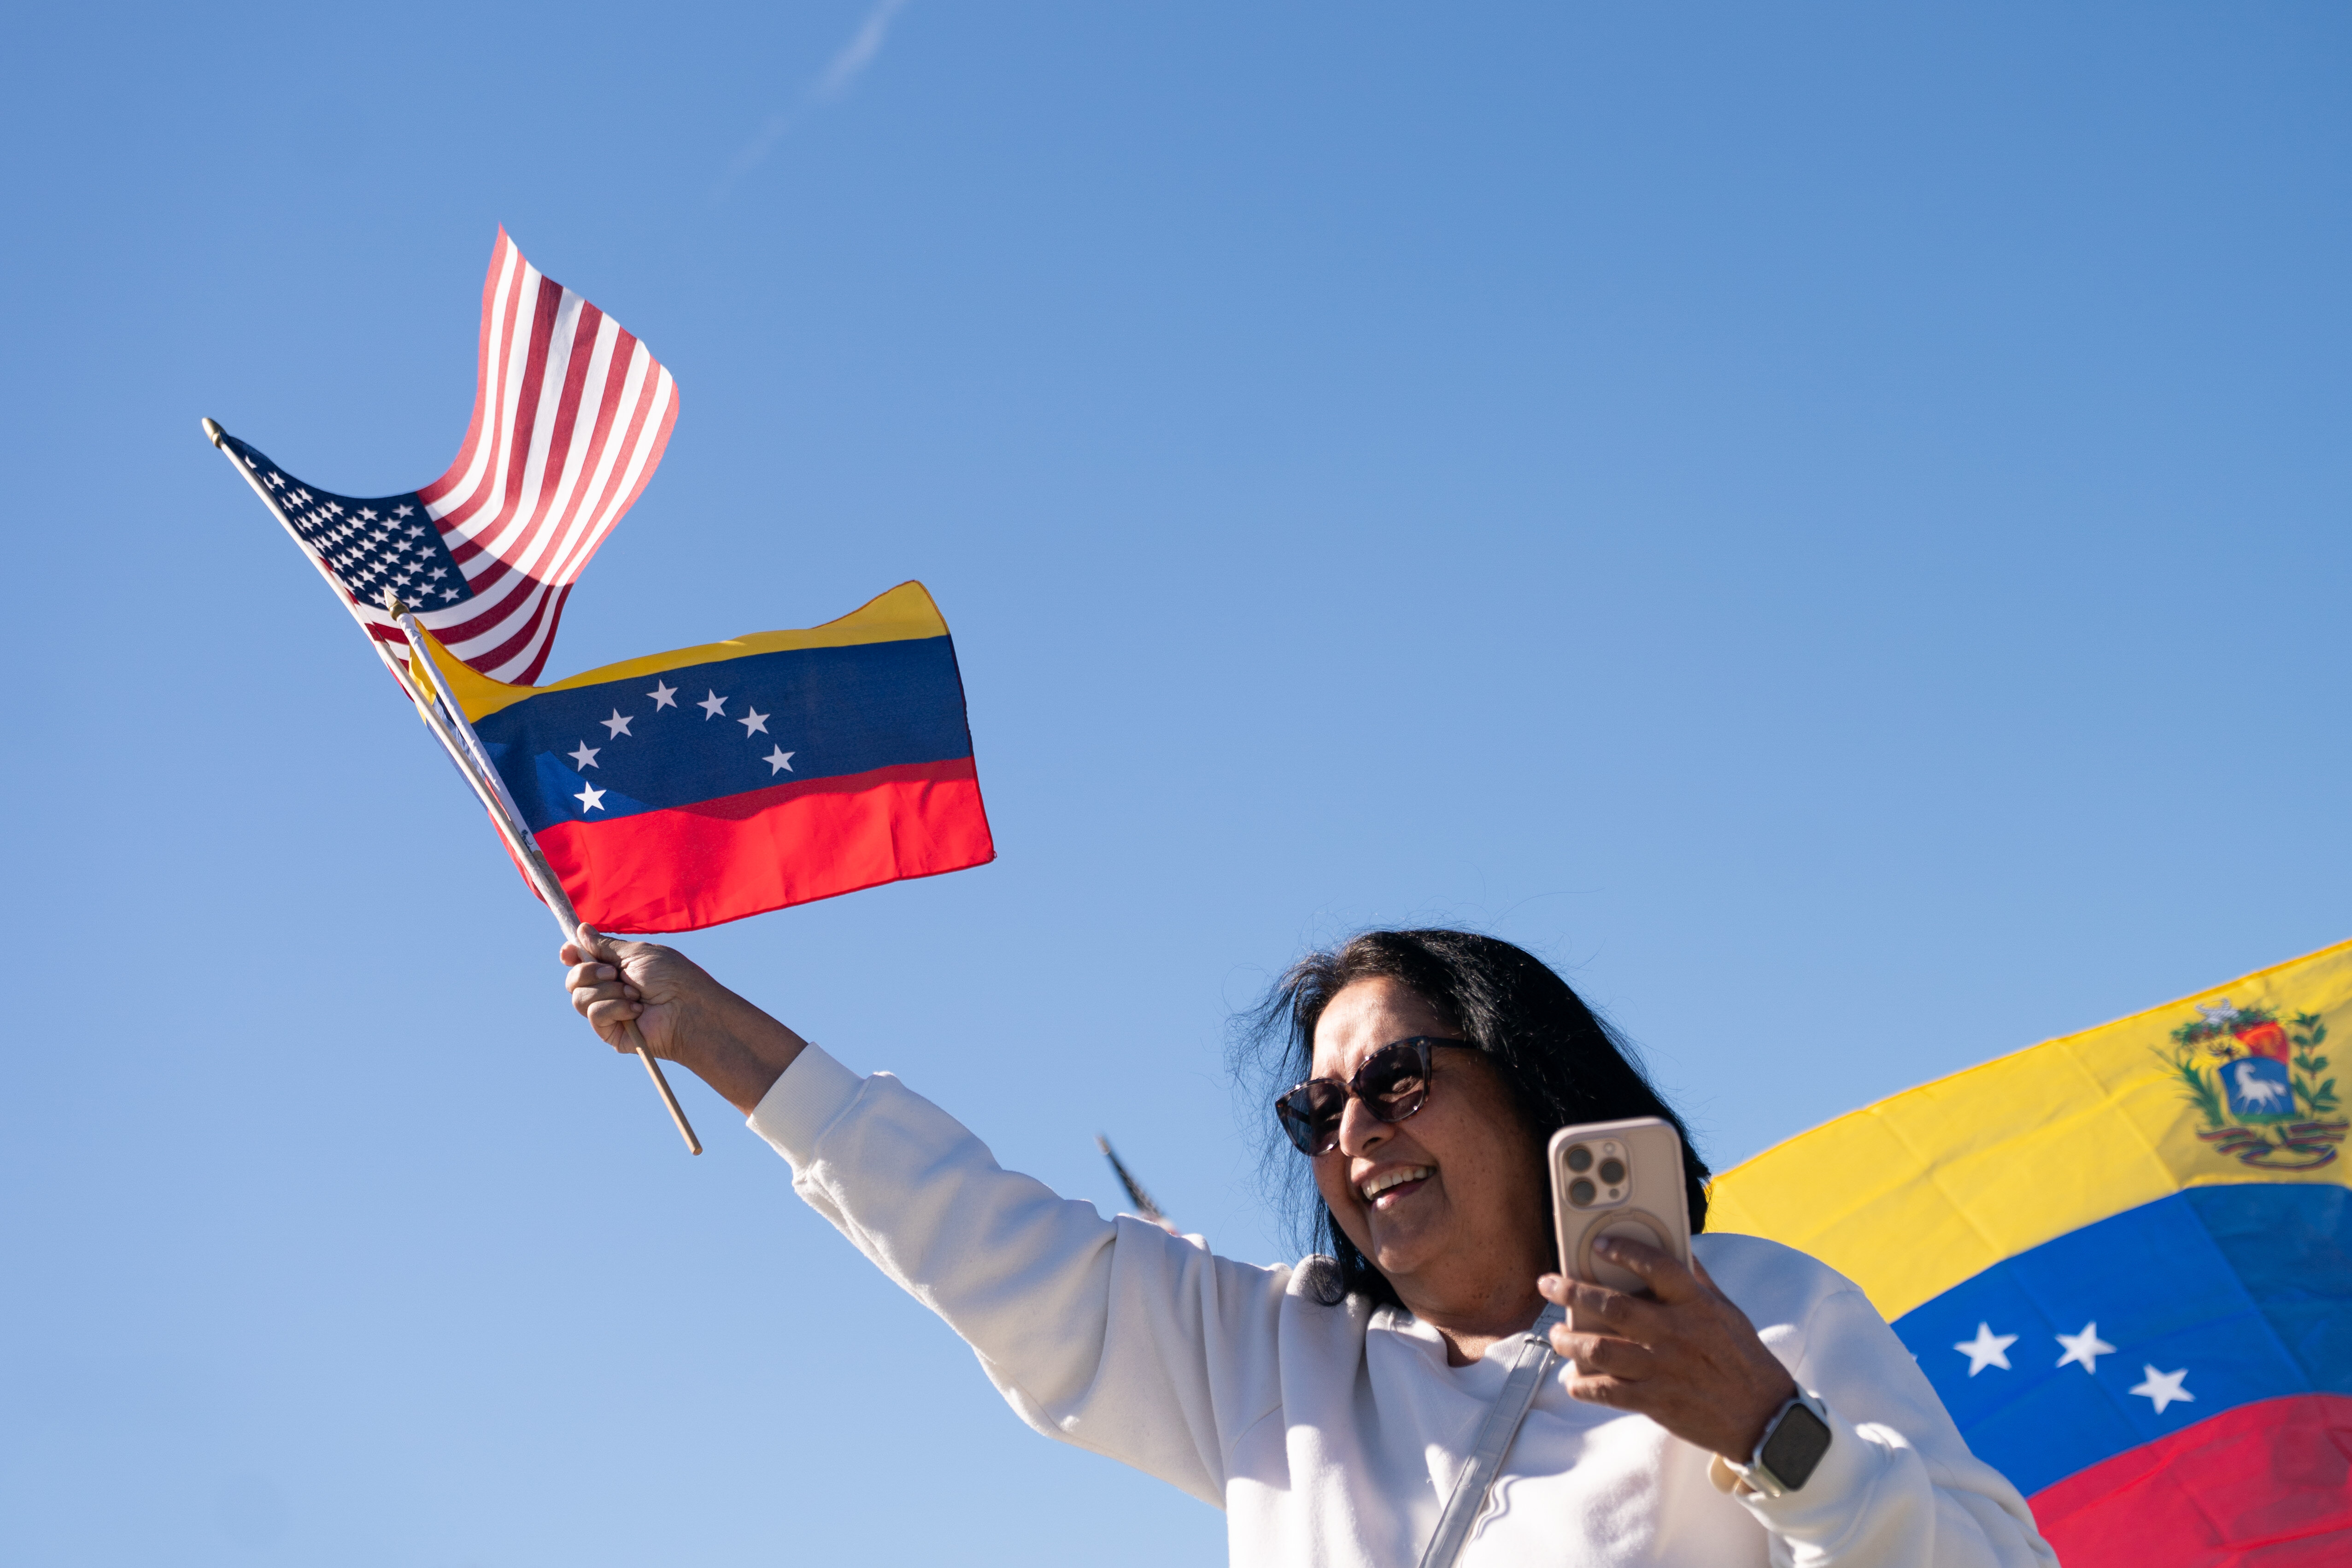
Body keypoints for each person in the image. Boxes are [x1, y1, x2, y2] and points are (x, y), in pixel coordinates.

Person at [561, 924, 2055, 1568]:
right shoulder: (1275, 1358)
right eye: (1316, 1103)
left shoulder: (1764, 1309)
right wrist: (712, 1034)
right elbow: (976, 1230)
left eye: (1398, 1077)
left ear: (1528, 1079)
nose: (1353, 1127)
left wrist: (1769, 1433)